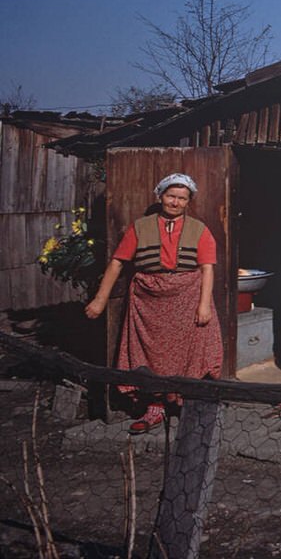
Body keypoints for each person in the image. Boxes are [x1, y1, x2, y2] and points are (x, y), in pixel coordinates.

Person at [85, 173, 223, 433]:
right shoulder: (140, 227)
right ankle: (155, 407)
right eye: (171, 196)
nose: (175, 202)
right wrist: (100, 300)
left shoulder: (199, 229)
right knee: (150, 353)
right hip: (148, 302)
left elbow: (207, 268)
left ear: (188, 202)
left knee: (191, 351)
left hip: (187, 297)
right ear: (160, 196)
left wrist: (204, 305)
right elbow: (117, 263)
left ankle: (187, 404)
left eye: (182, 198)